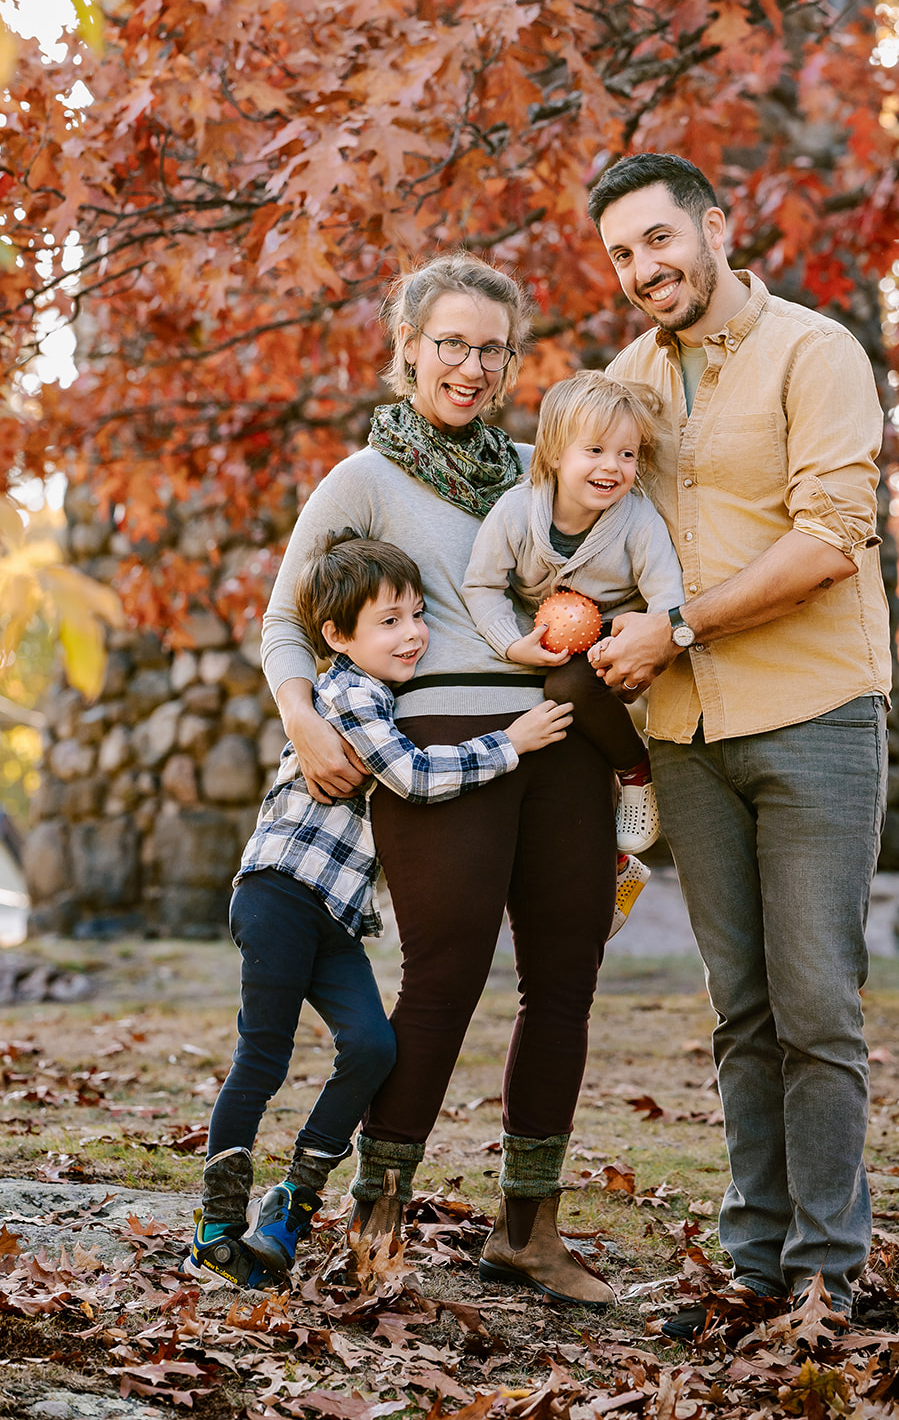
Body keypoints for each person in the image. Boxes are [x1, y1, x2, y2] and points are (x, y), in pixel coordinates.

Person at [259, 252, 617, 1309]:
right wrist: (305, 720)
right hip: (434, 748)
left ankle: (528, 1232)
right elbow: (285, 620)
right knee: (444, 980)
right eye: (449, 343)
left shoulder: (533, 471)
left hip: (559, 738)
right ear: (407, 347)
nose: (469, 365)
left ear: (512, 361)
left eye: (490, 348)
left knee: (563, 985)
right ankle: (377, 1219)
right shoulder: (361, 479)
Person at [585, 152, 891, 1327]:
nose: (643, 268)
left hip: (812, 713)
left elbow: (827, 538)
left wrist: (670, 627)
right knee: (740, 1009)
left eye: (659, 239)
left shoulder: (813, 354)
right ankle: (755, 1262)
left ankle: (826, 1268)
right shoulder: (626, 379)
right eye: (621, 253)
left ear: (715, 226)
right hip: (684, 732)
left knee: (815, 1001)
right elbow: (586, 518)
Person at [186, 535, 571, 1290]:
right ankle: (216, 1223)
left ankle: (293, 1202)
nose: (413, 633)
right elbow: (414, 779)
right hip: (279, 893)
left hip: (333, 915)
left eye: (418, 615)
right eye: (390, 621)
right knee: (262, 1056)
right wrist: (512, 742)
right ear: (337, 637)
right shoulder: (351, 694)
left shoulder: (388, 696)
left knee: (369, 1047)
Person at [463, 368, 685, 933]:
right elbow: (482, 585)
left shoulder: (637, 520)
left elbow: (668, 601)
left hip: (612, 641)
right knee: (542, 731)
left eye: (627, 454)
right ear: (555, 453)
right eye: (595, 450)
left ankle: (639, 774)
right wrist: (513, 645)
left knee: (567, 688)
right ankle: (613, 871)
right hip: (541, 640)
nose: (613, 467)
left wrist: (642, 641)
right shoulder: (516, 513)